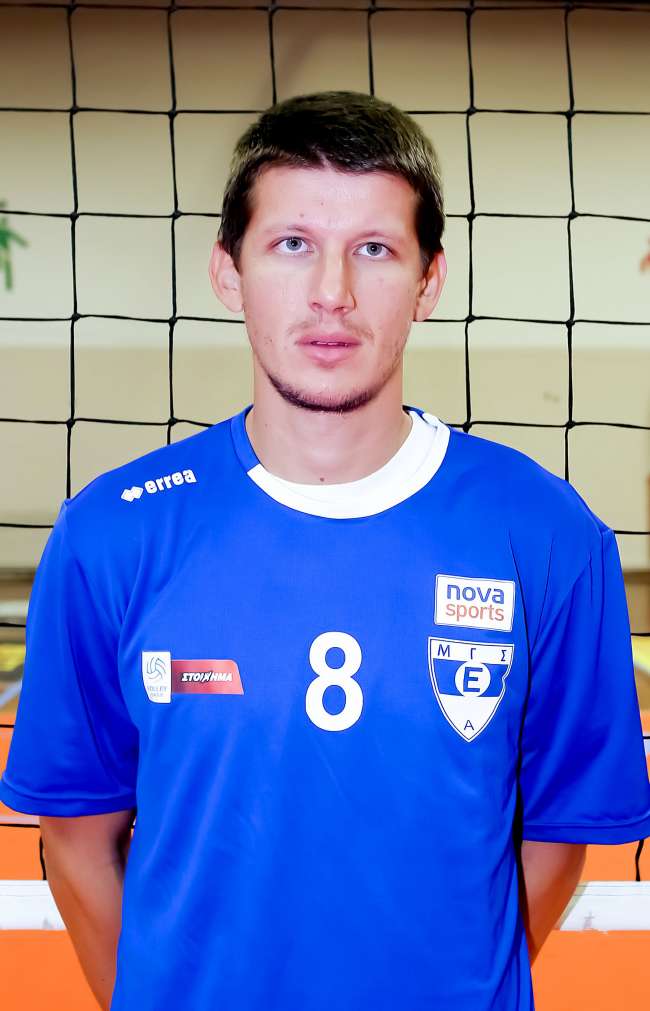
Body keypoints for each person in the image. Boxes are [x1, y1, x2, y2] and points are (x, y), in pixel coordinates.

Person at [1, 90, 649, 1011]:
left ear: (429, 281)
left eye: (374, 249)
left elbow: (556, 839)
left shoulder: (548, 538)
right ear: (229, 272)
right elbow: (75, 837)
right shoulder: (110, 534)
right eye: (292, 243)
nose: (331, 292)